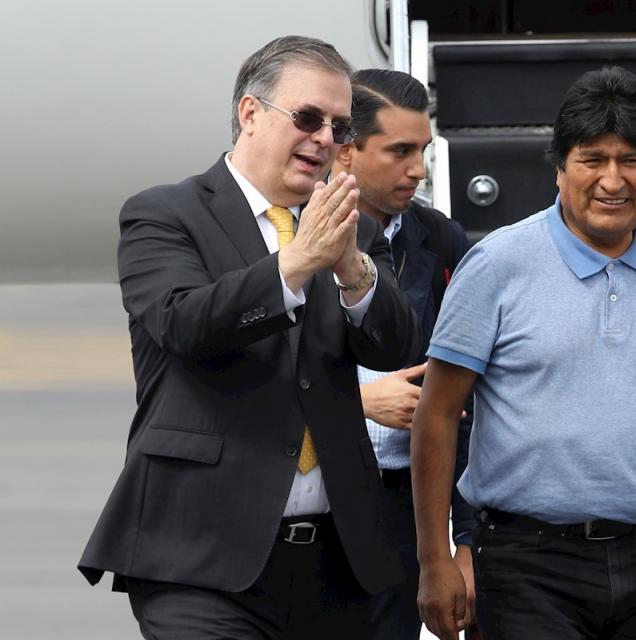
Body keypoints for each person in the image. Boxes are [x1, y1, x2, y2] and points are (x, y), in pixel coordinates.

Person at [411, 65, 636, 640]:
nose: (613, 179)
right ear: (559, 167)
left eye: (632, 160)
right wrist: (436, 559)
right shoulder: (496, 264)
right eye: (592, 159)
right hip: (526, 566)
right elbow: (436, 414)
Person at [78, 36, 422, 639]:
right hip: (201, 559)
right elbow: (184, 324)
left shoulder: (351, 228)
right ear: (251, 113)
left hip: (336, 566)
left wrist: (352, 270)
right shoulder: (166, 213)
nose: (325, 139)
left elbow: (394, 345)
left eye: (340, 127)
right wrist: (298, 262)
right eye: (308, 118)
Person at [328, 68, 474, 640]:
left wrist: (465, 540)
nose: (420, 170)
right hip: (313, 496)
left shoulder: (440, 239)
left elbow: (467, 398)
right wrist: (359, 402)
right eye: (400, 152)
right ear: (345, 151)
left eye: (424, 151)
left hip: (401, 505)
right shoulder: (287, 233)